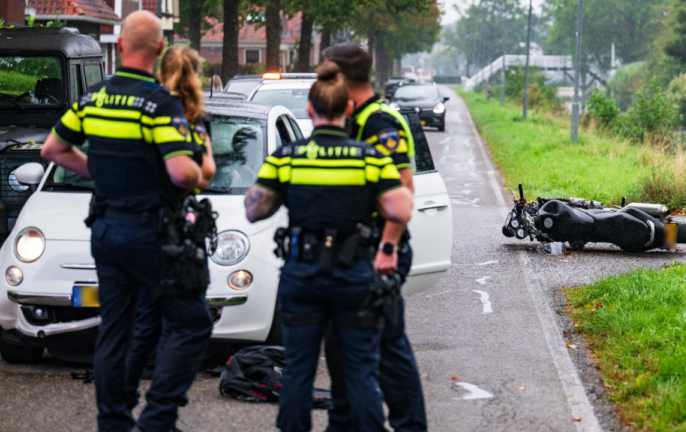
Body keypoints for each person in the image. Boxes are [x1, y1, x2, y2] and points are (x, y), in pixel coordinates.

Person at [41, 11, 213, 432]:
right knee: (191, 323)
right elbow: (180, 174)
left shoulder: (92, 98)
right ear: (158, 49)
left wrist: (99, 171)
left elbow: (53, 149)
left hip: (106, 230)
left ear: (119, 46)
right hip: (154, 232)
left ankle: (113, 422)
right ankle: (156, 420)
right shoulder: (159, 102)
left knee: (115, 330)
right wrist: (196, 167)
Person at [244, 62, 414, 432]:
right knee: (359, 375)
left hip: (302, 276)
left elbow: (255, 209)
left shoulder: (287, 158)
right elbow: (402, 207)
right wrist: (386, 245)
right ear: (348, 110)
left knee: (298, 374)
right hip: (353, 276)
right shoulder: (369, 159)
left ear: (310, 110)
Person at [323, 43, 427, 432]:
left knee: (386, 352)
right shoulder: (353, 118)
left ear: (341, 77)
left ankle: (409, 426)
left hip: (378, 252)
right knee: (343, 348)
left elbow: (403, 190)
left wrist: (387, 247)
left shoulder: (379, 123)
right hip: (355, 251)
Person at [124, 45, 216, 417]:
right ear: (195, 77)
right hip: (170, 235)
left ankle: (121, 403)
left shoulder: (145, 112)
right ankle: (158, 414)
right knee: (194, 323)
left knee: (146, 322)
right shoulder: (189, 120)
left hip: (134, 225)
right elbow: (204, 176)